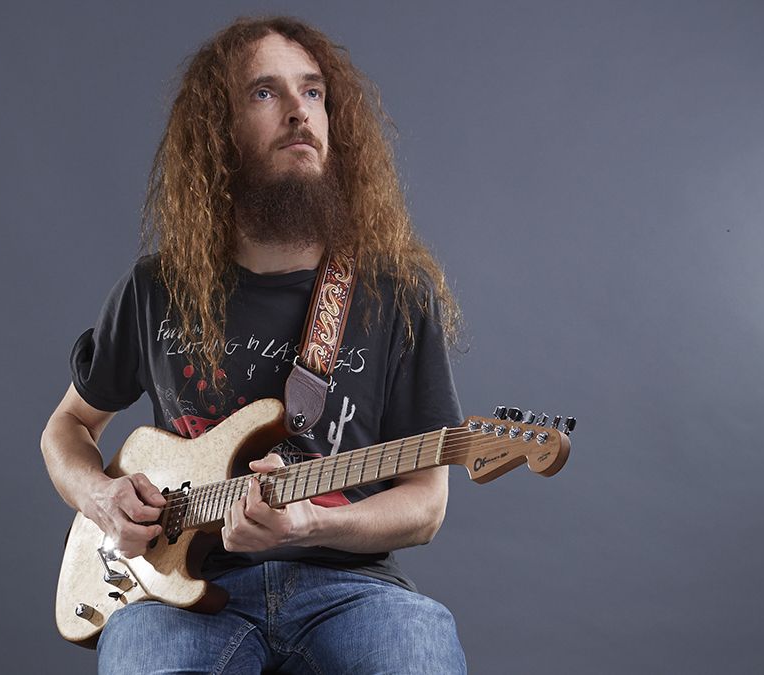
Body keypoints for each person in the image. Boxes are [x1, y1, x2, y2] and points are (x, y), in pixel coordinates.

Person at [41, 16, 467, 674]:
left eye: (314, 92)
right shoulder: (157, 289)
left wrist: (309, 524)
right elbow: (67, 427)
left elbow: (427, 502)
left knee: (418, 654)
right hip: (173, 597)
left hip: (353, 590)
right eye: (265, 93)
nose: (300, 111)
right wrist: (101, 497)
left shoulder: (395, 293)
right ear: (220, 134)